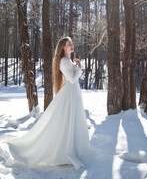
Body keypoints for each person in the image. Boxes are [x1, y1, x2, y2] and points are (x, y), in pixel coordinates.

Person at [8, 37, 94, 169]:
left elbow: (72, 78)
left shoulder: (68, 60)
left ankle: (70, 149)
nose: (72, 45)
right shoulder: (65, 61)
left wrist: (76, 66)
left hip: (73, 94)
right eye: (68, 44)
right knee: (67, 121)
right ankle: (65, 152)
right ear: (63, 47)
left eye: (71, 43)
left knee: (69, 122)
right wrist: (80, 68)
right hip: (70, 95)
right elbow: (71, 79)